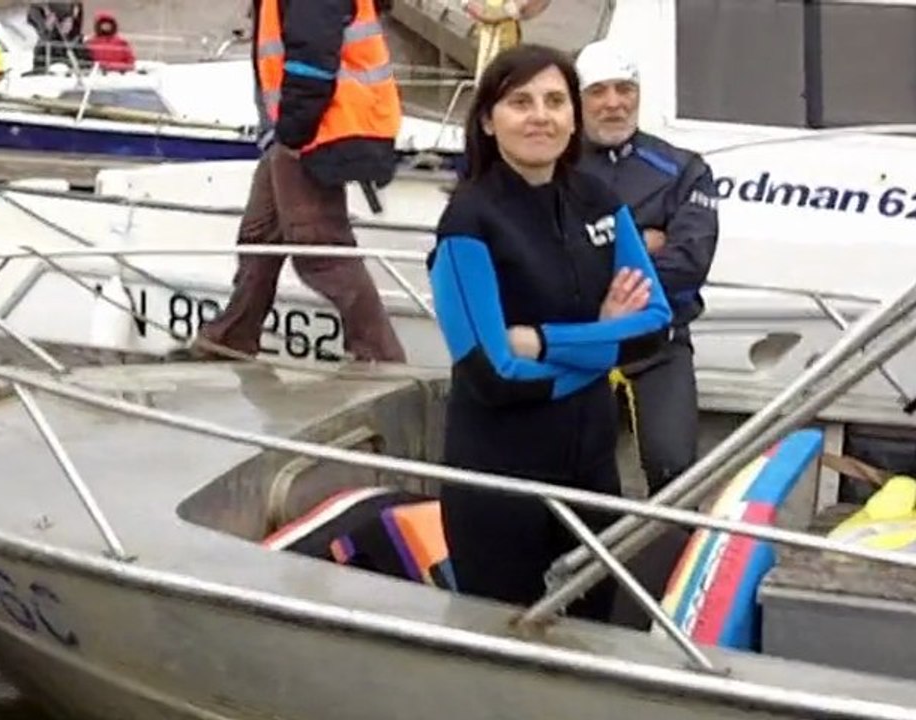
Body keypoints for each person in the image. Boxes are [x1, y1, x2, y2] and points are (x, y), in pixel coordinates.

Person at [427, 43, 672, 618]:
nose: (541, 115)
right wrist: (604, 338)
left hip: (591, 472)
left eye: (556, 100)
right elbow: (494, 376)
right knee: (503, 638)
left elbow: (656, 329)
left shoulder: (599, 202)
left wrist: (546, 341)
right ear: (488, 120)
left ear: (573, 117)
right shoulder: (469, 220)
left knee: (595, 623)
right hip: (500, 482)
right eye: (521, 102)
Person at [187, 0, 406, 364]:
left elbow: (312, 59)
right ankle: (230, 340)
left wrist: (292, 131)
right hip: (301, 129)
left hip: (314, 130)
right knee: (260, 236)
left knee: (320, 248)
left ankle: (381, 358)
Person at [575, 40, 719, 497]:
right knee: (569, 477)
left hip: (659, 345)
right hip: (578, 344)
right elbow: (536, 257)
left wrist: (593, 253)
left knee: (677, 474)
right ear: (577, 100)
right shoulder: (550, 166)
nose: (614, 103)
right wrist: (643, 242)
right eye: (598, 91)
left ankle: (671, 562)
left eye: (625, 89)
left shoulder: (683, 169)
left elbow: (688, 265)